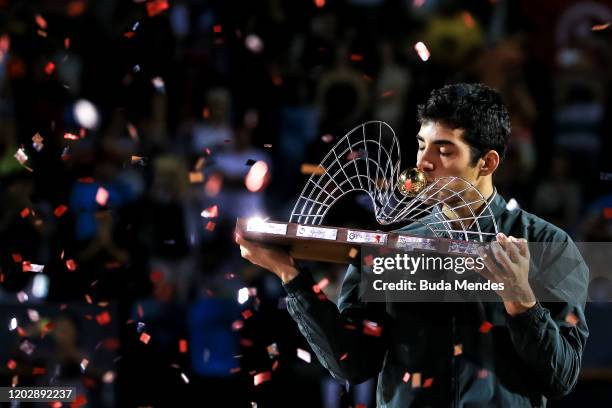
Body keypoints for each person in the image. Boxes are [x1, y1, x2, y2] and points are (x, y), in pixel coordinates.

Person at [236, 83, 589, 407]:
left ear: (487, 162)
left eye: (444, 150)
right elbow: (353, 363)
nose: (423, 163)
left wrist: (522, 303)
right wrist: (292, 277)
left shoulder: (548, 245)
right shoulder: (389, 244)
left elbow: (562, 377)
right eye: (421, 145)